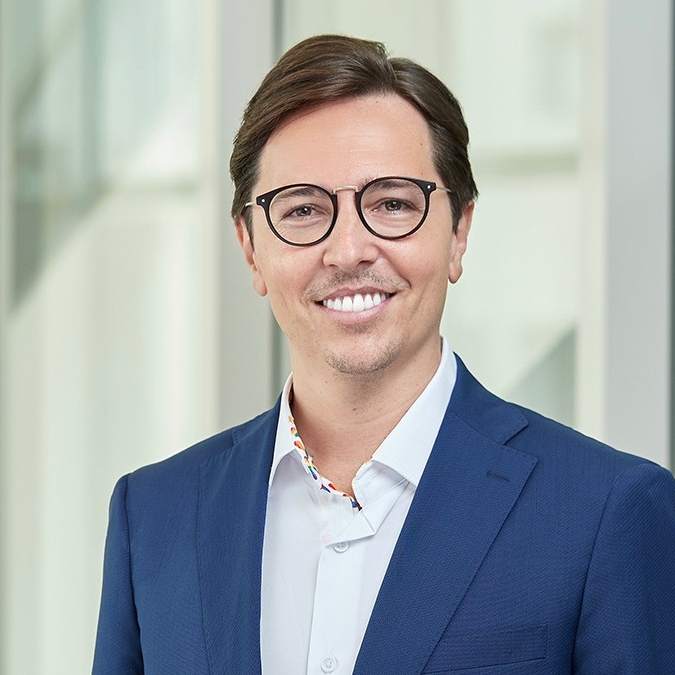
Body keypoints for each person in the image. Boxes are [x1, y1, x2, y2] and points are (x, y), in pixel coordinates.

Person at [92, 34, 675, 674]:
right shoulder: (156, 517)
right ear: (251, 247)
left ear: (459, 232)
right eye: (303, 209)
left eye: (392, 204)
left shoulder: (606, 512)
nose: (348, 251)